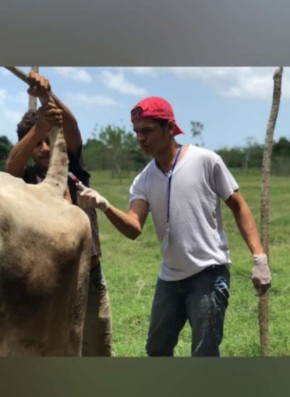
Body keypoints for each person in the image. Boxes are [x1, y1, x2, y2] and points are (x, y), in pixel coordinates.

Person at [76, 96, 271, 357]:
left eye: (147, 131)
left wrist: (259, 257)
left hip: (208, 273)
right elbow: (134, 227)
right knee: (156, 348)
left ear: (169, 128)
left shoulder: (205, 161)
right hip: (170, 278)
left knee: (204, 353)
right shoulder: (143, 179)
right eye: (136, 132)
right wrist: (104, 205)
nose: (140, 138)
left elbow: (239, 205)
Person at [5, 71, 113, 357]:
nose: (44, 148)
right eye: (37, 143)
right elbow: (10, 168)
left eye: (49, 140)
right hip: (42, 279)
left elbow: (73, 127)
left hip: (88, 273)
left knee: (97, 346)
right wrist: (39, 127)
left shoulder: (73, 171)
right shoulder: (24, 179)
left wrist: (47, 95)